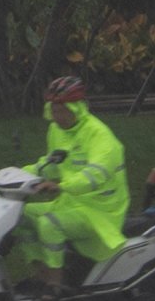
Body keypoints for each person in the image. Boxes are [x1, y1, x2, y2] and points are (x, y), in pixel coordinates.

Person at [23, 74, 128, 287]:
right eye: (53, 109)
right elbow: (51, 164)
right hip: (71, 203)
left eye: (61, 110)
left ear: (76, 109)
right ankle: (40, 273)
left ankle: (55, 284)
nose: (56, 115)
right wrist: (19, 175)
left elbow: (95, 175)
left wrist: (61, 186)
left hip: (99, 210)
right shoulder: (57, 129)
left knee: (49, 224)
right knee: (22, 215)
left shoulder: (100, 136)